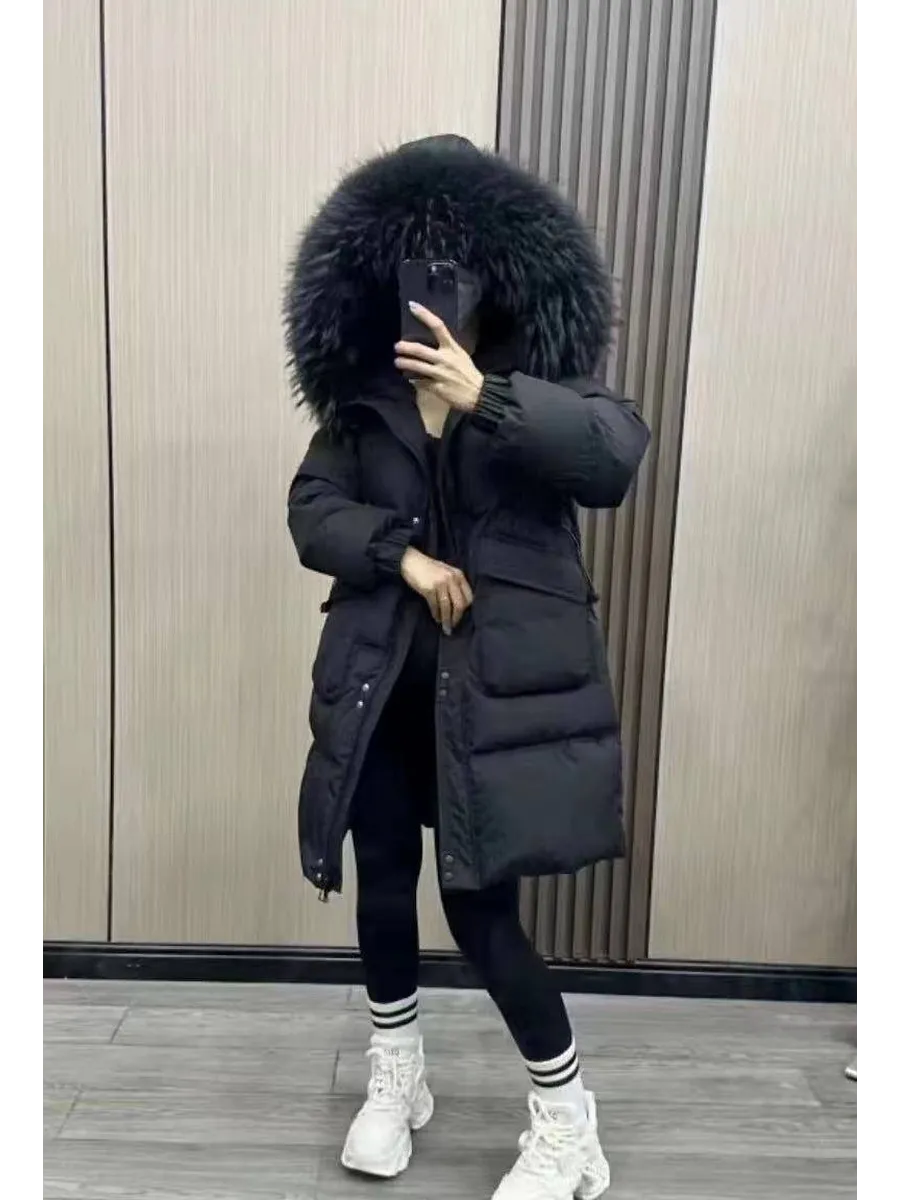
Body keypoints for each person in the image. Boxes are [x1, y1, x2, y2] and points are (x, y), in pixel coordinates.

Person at [285, 135, 649, 1200]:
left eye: (452, 270)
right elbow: (311, 509)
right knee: (382, 884)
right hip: (381, 690)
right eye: (412, 271)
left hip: (489, 709)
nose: (433, 290)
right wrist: (401, 556)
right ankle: (397, 1080)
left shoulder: (540, 388)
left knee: (482, 912)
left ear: (496, 276)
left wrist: (485, 394)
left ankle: (569, 1124)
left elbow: (614, 457)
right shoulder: (364, 402)